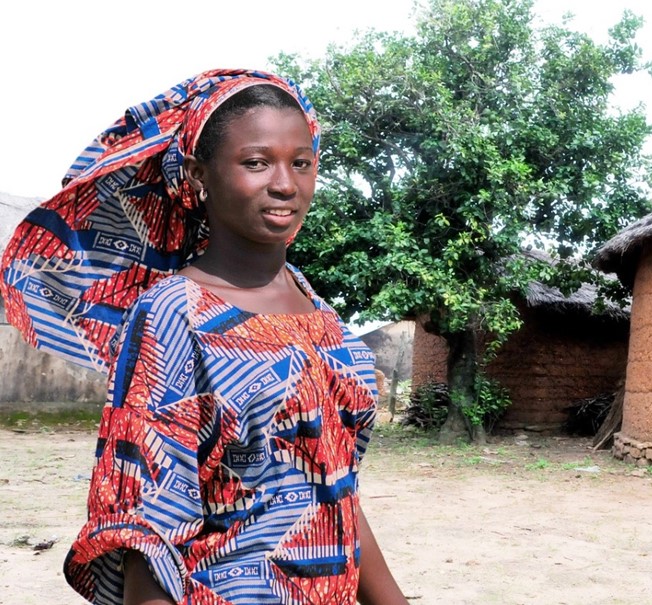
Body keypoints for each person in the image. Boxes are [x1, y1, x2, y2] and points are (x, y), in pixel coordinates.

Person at [0, 69, 408, 605]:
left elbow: (334, 487)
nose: (285, 183)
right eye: (256, 162)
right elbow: (144, 530)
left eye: (301, 163)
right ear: (198, 174)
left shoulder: (320, 312)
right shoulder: (174, 314)